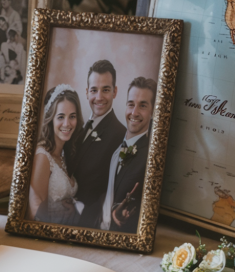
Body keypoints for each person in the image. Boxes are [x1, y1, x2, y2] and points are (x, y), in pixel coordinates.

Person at [70, 59, 126, 228]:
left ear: (115, 92)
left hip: (86, 221)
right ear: (87, 92)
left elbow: (111, 193)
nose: (99, 97)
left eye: (106, 90)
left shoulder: (120, 135)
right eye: (94, 90)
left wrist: (80, 211)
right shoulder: (76, 126)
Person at [103, 76, 156, 234]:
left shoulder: (151, 157)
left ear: (153, 111)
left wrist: (120, 213)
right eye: (131, 104)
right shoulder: (115, 149)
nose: (134, 112)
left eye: (143, 106)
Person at [29, 85, 82, 224]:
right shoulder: (42, 157)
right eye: (60, 117)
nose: (67, 123)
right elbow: (36, 212)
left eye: (72, 116)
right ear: (51, 119)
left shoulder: (64, 153)